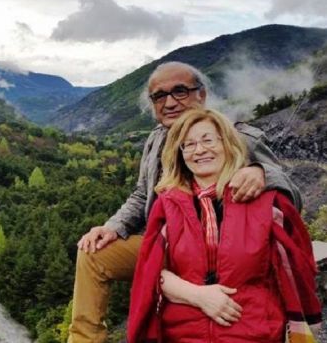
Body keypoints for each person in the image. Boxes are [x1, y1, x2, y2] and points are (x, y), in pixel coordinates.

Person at [68, 61, 302, 342]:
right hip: (164, 244)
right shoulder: (156, 140)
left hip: (223, 252)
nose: (169, 102)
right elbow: (142, 194)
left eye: (179, 92)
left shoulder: (236, 136)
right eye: (159, 96)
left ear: (201, 94)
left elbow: (291, 194)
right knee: (93, 253)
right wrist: (113, 227)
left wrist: (261, 171)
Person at [126, 108, 321, 342]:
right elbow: (151, 273)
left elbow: (297, 269)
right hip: (182, 333)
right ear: (179, 154)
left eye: (207, 140)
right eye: (188, 144)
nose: (199, 150)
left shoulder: (267, 202)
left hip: (253, 331)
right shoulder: (167, 205)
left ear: (227, 143)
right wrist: (199, 296)